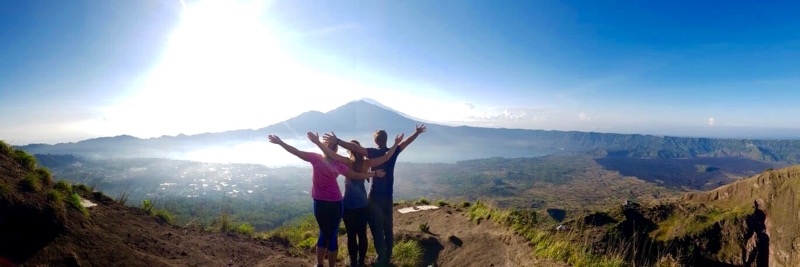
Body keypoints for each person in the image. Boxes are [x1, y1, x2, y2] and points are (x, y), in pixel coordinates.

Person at [268, 132, 385, 267]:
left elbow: (296, 152)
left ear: (325, 147)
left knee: (324, 232)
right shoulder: (339, 164)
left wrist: (280, 142)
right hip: (336, 203)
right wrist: (374, 173)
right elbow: (356, 175)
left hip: (319, 202)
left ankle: (319, 264)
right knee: (334, 234)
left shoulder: (315, 158)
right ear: (335, 150)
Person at [325, 124, 427, 266]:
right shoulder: (393, 151)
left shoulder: (372, 153)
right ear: (386, 140)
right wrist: (416, 133)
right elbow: (407, 142)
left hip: (374, 198)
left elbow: (354, 148)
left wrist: (338, 141)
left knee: (376, 229)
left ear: (375, 141)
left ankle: (380, 257)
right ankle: (387, 256)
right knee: (388, 227)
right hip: (388, 196)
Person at [317, 133, 404, 267]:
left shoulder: (347, 162)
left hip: (348, 205)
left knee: (351, 235)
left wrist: (317, 143)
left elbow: (331, 155)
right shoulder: (367, 163)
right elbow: (387, 157)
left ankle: (353, 262)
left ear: (350, 150)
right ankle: (361, 261)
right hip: (363, 204)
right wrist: (395, 144)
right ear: (360, 149)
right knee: (362, 234)